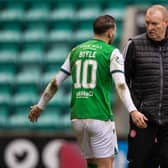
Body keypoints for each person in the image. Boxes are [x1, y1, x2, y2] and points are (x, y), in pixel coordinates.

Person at [28, 15, 140, 168]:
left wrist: (40, 106)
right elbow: (120, 85)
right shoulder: (111, 53)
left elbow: (55, 82)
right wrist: (132, 110)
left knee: (91, 164)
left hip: (78, 117)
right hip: (100, 116)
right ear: (111, 32)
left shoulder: (76, 51)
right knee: (105, 165)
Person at [124, 5, 168, 168]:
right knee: (140, 164)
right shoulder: (134, 45)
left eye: (155, 24)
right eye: (147, 23)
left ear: (166, 22)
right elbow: (122, 82)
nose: (150, 28)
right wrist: (133, 110)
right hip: (143, 120)